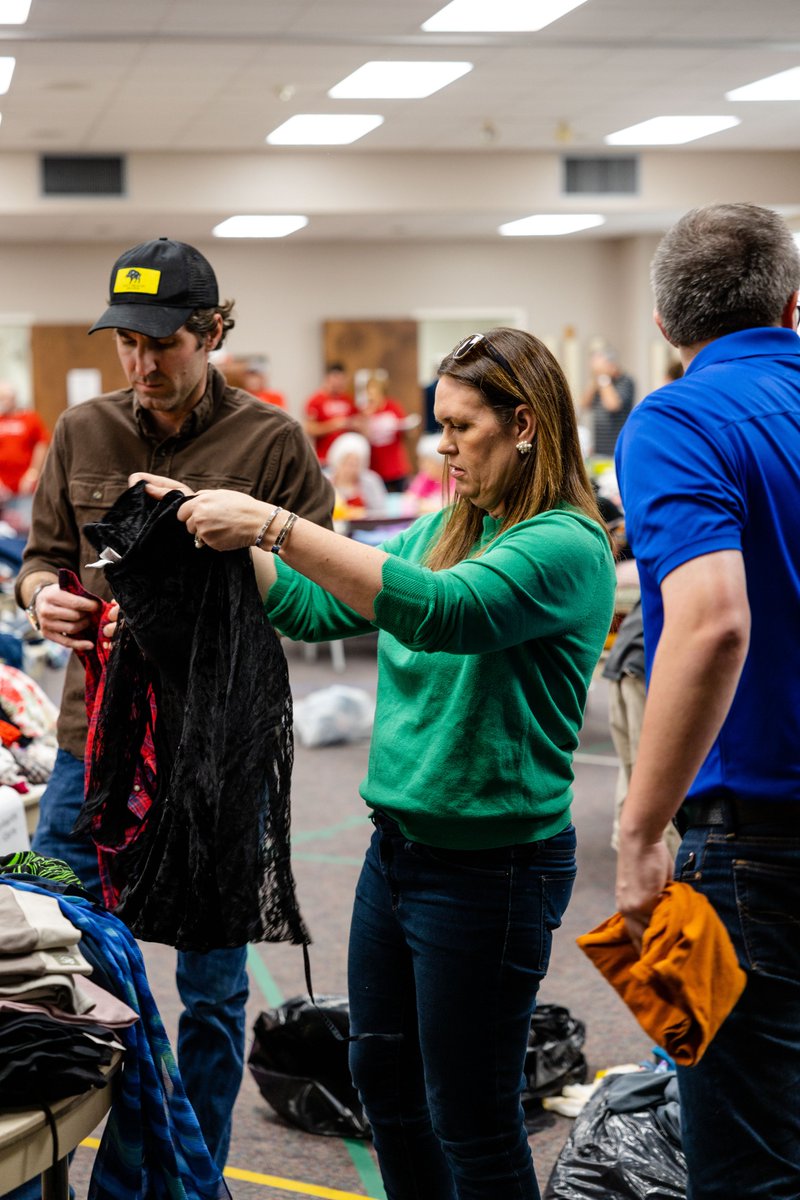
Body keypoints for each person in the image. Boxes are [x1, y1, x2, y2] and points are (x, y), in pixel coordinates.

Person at [135, 326, 616, 1199]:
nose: (441, 445)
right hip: (397, 854)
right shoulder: (445, 525)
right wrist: (199, 522)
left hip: (492, 873)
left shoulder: (565, 546)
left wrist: (275, 523)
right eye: (440, 424)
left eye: (462, 427)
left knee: (471, 1118)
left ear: (525, 427)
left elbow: (443, 611)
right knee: (388, 1092)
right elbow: (319, 606)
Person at [13, 236, 334, 1181]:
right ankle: (52, 1176)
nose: (145, 365)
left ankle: (189, 1177)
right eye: (128, 345)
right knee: (54, 971)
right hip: (88, 749)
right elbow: (39, 561)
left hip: (217, 754)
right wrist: (42, 600)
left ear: (213, 332)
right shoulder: (82, 431)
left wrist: (200, 587)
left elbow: (318, 594)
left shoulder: (271, 442)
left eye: (166, 345)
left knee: (211, 990)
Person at [614, 202, 800, 1199]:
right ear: (792, 302)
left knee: (746, 1165)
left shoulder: (678, 418)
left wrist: (639, 829)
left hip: (751, 851)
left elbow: (709, 622)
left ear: (662, 324)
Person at [362, 374, 415, 491]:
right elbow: (363, 436)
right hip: (376, 466)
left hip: (396, 465)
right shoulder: (365, 411)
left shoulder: (393, 407)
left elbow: (407, 432)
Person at [580, 346, 635, 456]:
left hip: (617, 447)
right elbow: (583, 404)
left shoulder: (625, 381)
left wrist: (603, 377)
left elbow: (612, 405)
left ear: (611, 364)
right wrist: (595, 381)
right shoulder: (599, 383)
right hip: (599, 448)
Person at [0, 381, 49, 502]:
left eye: (4, 398)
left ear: (14, 398)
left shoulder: (30, 418)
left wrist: (33, 474)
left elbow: (42, 444)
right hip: (2, 487)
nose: (2, 402)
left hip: (25, 485)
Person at [303, 361, 360, 464]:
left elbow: (359, 423)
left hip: (346, 460)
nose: (338, 382)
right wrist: (333, 425)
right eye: (335, 378)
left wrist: (352, 424)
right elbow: (309, 429)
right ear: (327, 378)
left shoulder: (349, 400)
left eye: (341, 379)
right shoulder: (315, 401)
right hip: (325, 459)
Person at [325, 430, 388, 513]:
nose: (350, 468)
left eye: (355, 464)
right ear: (337, 461)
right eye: (346, 463)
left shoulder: (371, 481)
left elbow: (380, 511)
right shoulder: (325, 482)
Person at [406, 431, 453, 510]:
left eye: (425, 461)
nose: (420, 465)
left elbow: (449, 507)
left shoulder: (456, 478)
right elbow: (409, 501)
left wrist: (422, 504)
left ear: (440, 462)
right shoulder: (425, 476)